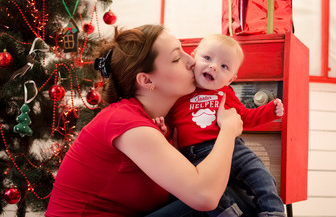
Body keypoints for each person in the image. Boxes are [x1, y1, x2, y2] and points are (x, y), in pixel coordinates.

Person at [45, 25, 244, 217]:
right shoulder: (124, 121)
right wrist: (228, 131)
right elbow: (205, 197)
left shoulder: (157, 123)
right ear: (147, 81)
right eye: (177, 58)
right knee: (217, 201)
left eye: (185, 51)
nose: (191, 60)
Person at [164, 34, 286, 217]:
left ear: (230, 79)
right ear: (193, 57)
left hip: (234, 148)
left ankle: (273, 212)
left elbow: (244, 117)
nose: (213, 66)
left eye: (224, 66)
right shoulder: (181, 91)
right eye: (207, 58)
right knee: (210, 193)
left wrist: (269, 111)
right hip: (196, 154)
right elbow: (170, 123)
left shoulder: (225, 93)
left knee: (261, 176)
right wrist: (162, 128)